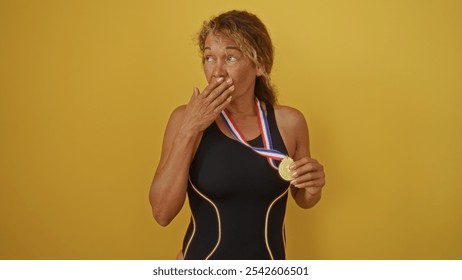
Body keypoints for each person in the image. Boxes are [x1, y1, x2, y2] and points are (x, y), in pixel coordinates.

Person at [149, 10, 325, 260]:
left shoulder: (290, 123)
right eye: (209, 57)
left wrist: (313, 187)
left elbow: (303, 199)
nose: (217, 71)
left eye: (230, 57)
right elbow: (161, 213)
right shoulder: (183, 119)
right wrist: (189, 129)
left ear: (260, 64)